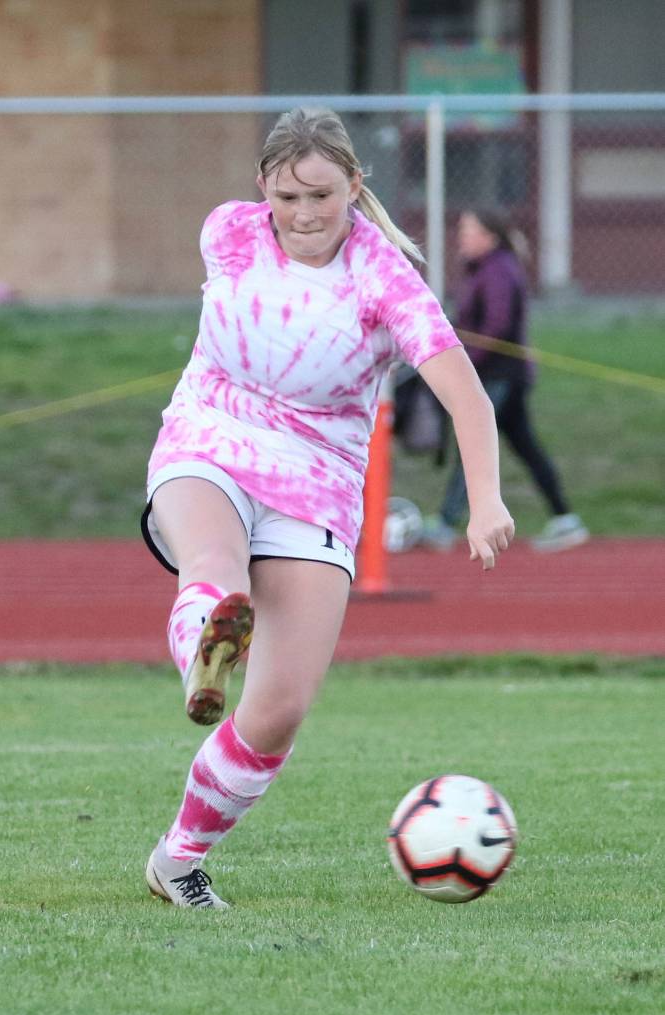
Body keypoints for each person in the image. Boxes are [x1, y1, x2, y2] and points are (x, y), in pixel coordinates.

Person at [140, 108, 515, 909]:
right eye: (286, 196)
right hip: (209, 435)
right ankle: (204, 656)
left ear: (354, 184)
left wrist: (484, 499)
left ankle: (178, 859)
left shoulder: (384, 279)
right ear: (261, 190)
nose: (303, 214)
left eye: (320, 195)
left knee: (276, 711)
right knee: (213, 566)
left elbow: (467, 397)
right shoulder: (228, 233)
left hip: (316, 479)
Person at [423, 208, 589, 553]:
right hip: (499, 376)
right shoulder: (484, 269)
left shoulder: (498, 270)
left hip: (501, 376)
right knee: (526, 447)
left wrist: (462, 362)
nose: (462, 237)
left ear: (490, 236)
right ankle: (565, 518)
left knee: (473, 443)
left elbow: (497, 327)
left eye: (469, 230)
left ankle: (443, 523)